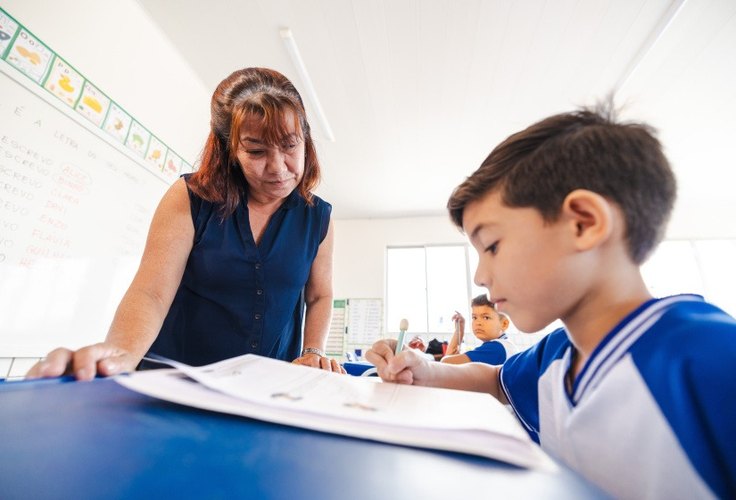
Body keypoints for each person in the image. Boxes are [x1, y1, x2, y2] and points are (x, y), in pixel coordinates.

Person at [366, 104, 736, 499]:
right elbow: (497, 380)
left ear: (583, 223)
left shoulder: (713, 358)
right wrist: (425, 370)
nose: (480, 276)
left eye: (491, 245)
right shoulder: (558, 352)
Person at [28, 67, 344, 380]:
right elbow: (151, 293)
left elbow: (319, 296)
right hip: (176, 382)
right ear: (230, 150)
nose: (278, 167)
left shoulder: (318, 218)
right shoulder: (191, 198)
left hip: (266, 387)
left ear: (305, 140)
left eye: (290, 145)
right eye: (257, 150)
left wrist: (313, 352)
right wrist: (118, 358)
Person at [440, 294, 517, 365]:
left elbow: (445, 364)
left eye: (486, 317)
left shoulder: (495, 349)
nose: (478, 323)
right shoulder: (505, 345)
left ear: (504, 324)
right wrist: (459, 330)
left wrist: (459, 331)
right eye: (474, 317)